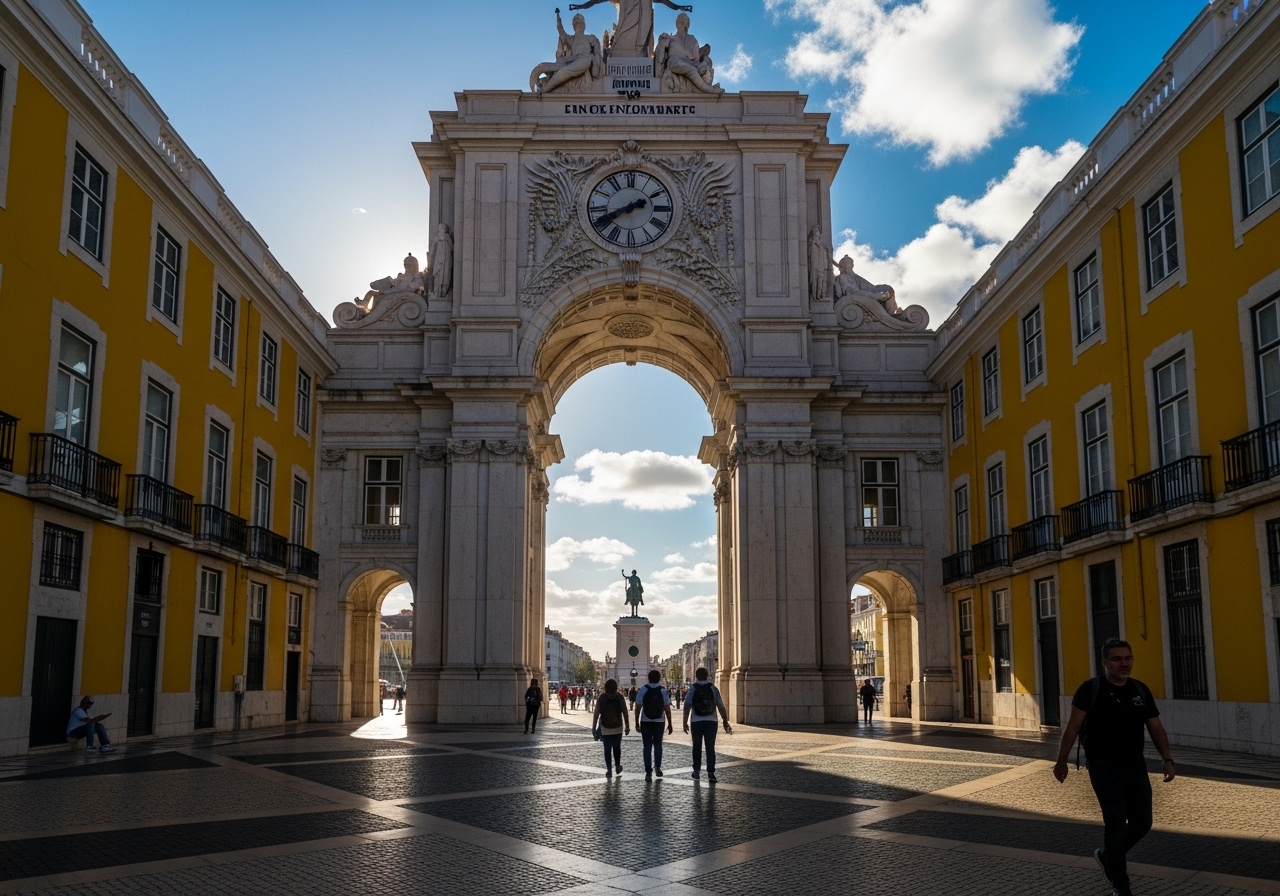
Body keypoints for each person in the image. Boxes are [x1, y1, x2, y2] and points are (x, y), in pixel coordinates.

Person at [1054, 638, 1176, 896]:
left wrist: (1167, 759)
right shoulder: (1090, 689)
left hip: (1134, 765)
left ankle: (1109, 856)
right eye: (1117, 659)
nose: (1124, 663)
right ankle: (1120, 883)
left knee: (1143, 822)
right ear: (1105, 662)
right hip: (1102, 765)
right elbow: (1073, 727)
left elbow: (1155, 726)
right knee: (1116, 822)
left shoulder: (1139, 690)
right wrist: (1061, 760)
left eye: (1128, 658)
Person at [682, 667, 730, 782]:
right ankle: (711, 773)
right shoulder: (713, 688)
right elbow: (720, 705)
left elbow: (687, 705)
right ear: (707, 676)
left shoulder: (693, 688)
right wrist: (725, 720)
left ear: (696, 676)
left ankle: (696, 771)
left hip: (696, 721)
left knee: (696, 747)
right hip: (711, 721)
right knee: (710, 747)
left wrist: (684, 722)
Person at [635, 670, 673, 781]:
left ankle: (648, 772)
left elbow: (637, 707)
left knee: (646, 746)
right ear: (659, 678)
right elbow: (667, 708)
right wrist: (670, 723)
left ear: (648, 678)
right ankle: (657, 767)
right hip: (659, 721)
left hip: (646, 720)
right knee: (658, 745)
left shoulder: (643, 690)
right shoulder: (663, 691)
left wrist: (636, 722)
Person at [592, 679, 630, 777]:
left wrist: (593, 727)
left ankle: (609, 769)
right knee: (617, 748)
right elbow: (625, 713)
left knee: (607, 748)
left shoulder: (602, 697)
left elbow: (596, 713)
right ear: (616, 687)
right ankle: (617, 766)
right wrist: (627, 726)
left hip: (605, 727)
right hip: (618, 727)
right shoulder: (620, 697)